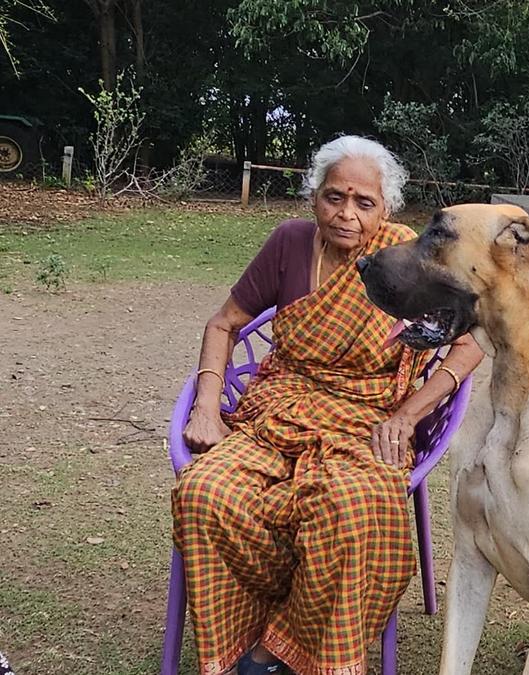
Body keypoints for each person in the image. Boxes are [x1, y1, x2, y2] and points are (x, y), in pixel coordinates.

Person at [172, 135, 483, 675]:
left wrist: (408, 415)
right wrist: (204, 405)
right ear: (313, 196)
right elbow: (223, 323)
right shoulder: (290, 243)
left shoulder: (407, 255)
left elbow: (472, 338)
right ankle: (262, 628)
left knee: (354, 507)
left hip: (368, 419)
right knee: (204, 492)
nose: (347, 214)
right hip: (278, 410)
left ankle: (275, 651)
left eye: (365, 203)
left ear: (385, 208)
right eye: (334, 197)